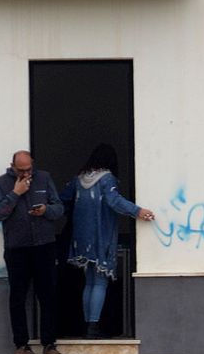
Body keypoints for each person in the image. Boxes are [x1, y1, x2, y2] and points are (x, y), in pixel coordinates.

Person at [60, 144, 155, 339]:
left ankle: (87, 325)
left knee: (89, 282)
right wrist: (138, 211)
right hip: (101, 236)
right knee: (100, 282)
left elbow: (63, 198)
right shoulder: (107, 179)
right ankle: (93, 326)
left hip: (81, 237)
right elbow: (114, 201)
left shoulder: (78, 179)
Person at [0, 149, 66, 354]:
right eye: (21, 170)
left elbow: (59, 208)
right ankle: (21, 345)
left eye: (28, 169)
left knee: (48, 295)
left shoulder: (44, 178)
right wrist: (16, 193)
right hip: (17, 248)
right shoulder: (1, 183)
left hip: (44, 245)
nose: (25, 173)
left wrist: (46, 210)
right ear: (13, 167)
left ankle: (49, 344)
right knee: (18, 297)